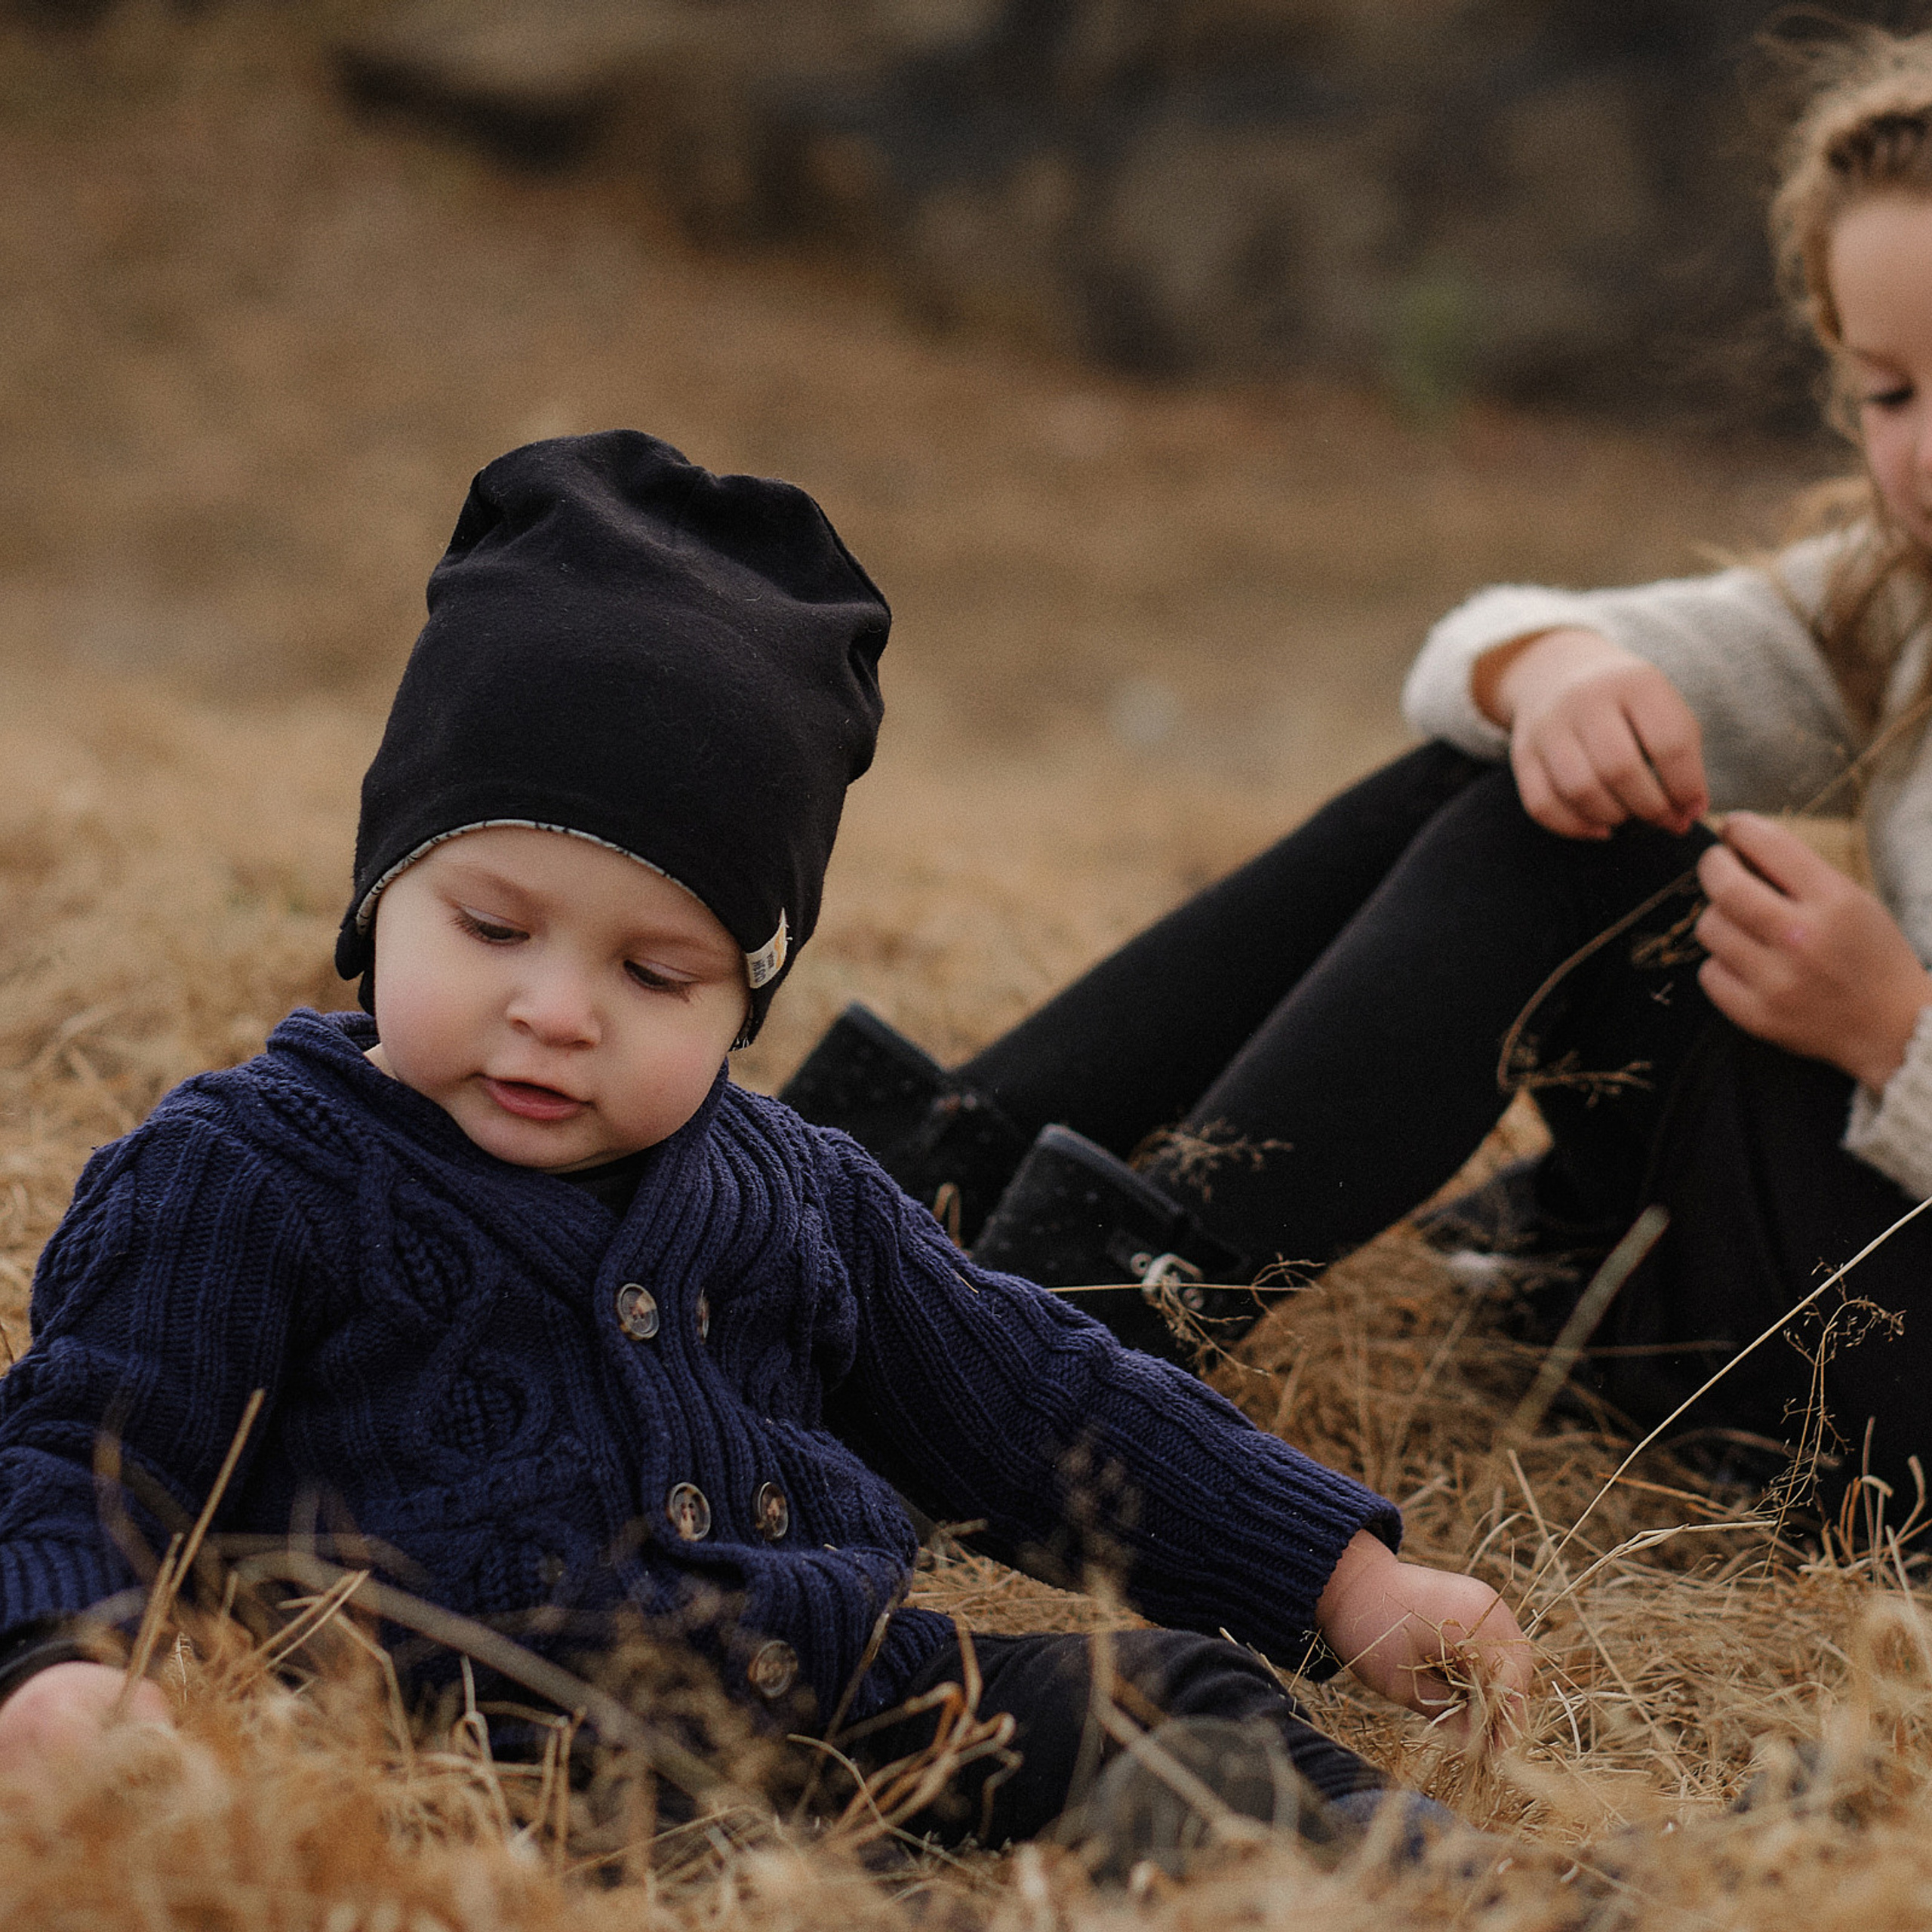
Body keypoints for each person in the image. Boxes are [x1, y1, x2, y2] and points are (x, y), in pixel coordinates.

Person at [0, 432, 1530, 1868]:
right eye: (490, 926)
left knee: (1179, 1696)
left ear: (744, 998)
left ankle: (1450, 1890)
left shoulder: (791, 1190)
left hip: (852, 1699)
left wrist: (1347, 1577)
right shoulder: (243, 1174)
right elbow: (80, 1455)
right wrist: (61, 1666)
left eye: (652, 975)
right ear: (376, 893)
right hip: (499, 1775)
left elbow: (1039, 1399)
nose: (554, 1011)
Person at [782, 28, 1932, 1517]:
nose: (1917, 449)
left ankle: (1034, 1351)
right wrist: (1563, 675)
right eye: (1887, 391)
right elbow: (1503, 653)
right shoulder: (1896, 600)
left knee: (1592, 853)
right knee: (1548, 785)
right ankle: (891, 1206)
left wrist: (1893, 1031)